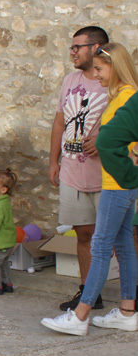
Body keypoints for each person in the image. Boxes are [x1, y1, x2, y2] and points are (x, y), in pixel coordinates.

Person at [43, 42, 138, 336]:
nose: (96, 75)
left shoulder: (128, 96)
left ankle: (80, 315)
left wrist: (127, 170)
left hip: (116, 184)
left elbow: (112, 141)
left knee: (101, 245)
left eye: (99, 69)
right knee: (123, 244)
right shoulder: (122, 95)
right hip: (119, 182)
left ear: (116, 67)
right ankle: (127, 311)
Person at [48, 26, 111, 311]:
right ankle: (89, 294)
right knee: (83, 235)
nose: (72, 52)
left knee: (121, 238)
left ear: (96, 48)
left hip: (107, 175)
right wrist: (54, 161)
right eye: (71, 47)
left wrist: (104, 140)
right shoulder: (69, 80)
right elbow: (59, 123)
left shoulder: (114, 82)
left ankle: (130, 296)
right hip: (72, 173)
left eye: (77, 47)